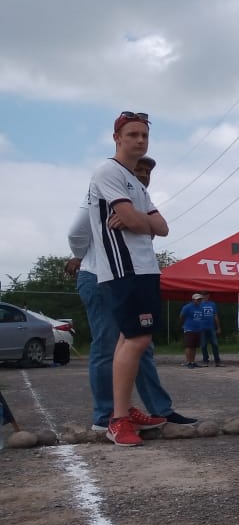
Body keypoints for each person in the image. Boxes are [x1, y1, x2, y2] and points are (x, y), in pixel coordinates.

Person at [66, 152, 196, 437]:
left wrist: (136, 219)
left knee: (141, 344)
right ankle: (107, 416)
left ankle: (158, 409)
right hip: (101, 274)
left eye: (148, 172)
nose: (143, 176)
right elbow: (77, 231)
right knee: (108, 345)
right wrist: (82, 256)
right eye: (138, 170)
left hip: (134, 273)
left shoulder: (139, 199)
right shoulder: (100, 193)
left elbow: (160, 228)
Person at [83, 113, 171, 446]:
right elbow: (141, 220)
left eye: (144, 135)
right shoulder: (108, 172)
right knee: (134, 340)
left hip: (144, 268)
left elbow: (161, 226)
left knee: (132, 339)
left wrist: (139, 221)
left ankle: (123, 410)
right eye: (132, 134)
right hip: (124, 268)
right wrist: (139, 220)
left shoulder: (132, 179)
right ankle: (117, 419)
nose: (139, 140)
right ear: (117, 137)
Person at [179, 293, 205, 367]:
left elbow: (201, 318)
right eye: (197, 299)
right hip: (189, 329)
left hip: (198, 329)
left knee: (194, 347)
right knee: (189, 346)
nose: (199, 301)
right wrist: (184, 324)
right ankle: (188, 362)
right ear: (193, 300)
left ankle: (193, 362)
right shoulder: (187, 307)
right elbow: (181, 316)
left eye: (200, 299)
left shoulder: (201, 307)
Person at [199, 291, 223, 366]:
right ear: (201, 296)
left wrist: (218, 327)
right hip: (202, 327)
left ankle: (217, 361)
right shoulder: (199, 305)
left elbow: (215, 316)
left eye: (206, 295)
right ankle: (205, 360)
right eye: (203, 295)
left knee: (215, 344)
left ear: (208, 296)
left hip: (211, 327)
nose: (205, 297)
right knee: (203, 345)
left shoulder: (212, 304)